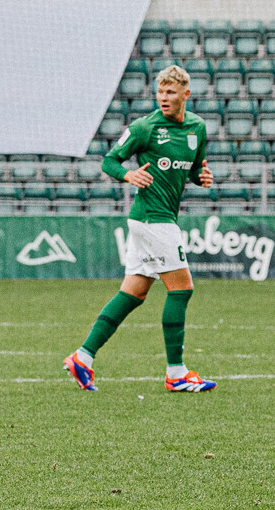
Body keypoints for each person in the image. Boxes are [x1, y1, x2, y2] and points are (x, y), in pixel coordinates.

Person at [63, 64, 217, 395]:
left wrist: (201, 178)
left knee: (134, 292)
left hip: (157, 219)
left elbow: (193, 169)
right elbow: (109, 161)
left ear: (186, 94)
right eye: (160, 92)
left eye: (170, 92)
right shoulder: (145, 127)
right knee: (182, 288)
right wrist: (128, 175)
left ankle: (82, 357)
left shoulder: (197, 128)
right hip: (152, 218)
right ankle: (176, 373)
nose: (164, 97)